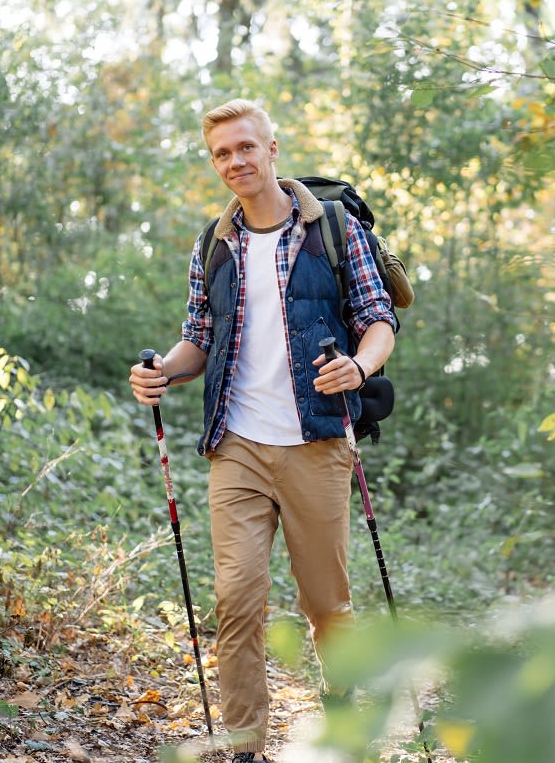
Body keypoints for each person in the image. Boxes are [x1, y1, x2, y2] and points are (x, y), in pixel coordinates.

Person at [129, 98, 396, 763]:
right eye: (222, 152)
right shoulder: (214, 242)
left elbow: (379, 317)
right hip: (238, 444)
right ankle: (244, 745)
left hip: (317, 442)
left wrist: (358, 369)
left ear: (272, 148)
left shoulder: (333, 229)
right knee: (237, 599)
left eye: (245, 147)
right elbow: (198, 339)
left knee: (327, 605)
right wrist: (163, 370)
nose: (235, 161)